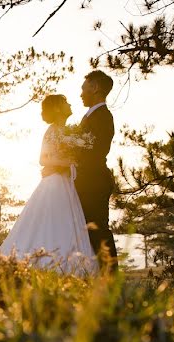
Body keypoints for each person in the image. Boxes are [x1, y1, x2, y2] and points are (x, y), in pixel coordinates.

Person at [0, 94, 97, 275]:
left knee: (66, 223)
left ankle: (68, 259)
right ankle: (51, 260)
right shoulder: (53, 130)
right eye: (65, 102)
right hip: (54, 184)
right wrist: (69, 162)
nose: (69, 104)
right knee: (53, 223)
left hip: (64, 183)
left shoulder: (66, 131)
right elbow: (43, 159)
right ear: (57, 108)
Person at [71, 70, 118, 271]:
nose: (81, 93)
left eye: (84, 88)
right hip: (84, 181)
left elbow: (96, 150)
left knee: (98, 229)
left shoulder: (103, 117)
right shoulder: (90, 116)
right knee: (87, 230)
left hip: (93, 182)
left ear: (95, 88)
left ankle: (110, 276)